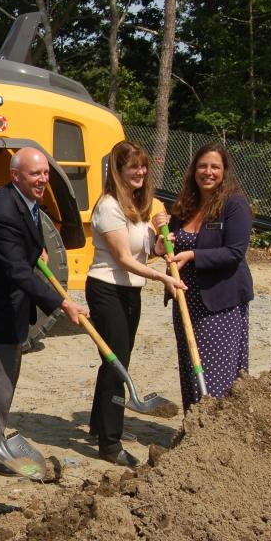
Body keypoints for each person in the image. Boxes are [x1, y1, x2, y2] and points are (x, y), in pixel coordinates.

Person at [0, 147, 88, 470]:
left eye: (45, 173)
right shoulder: (1, 211)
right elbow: (16, 271)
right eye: (35, 174)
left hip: (10, 308)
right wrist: (60, 303)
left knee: (3, 379)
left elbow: (23, 245)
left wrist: (36, 251)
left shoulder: (26, 203)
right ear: (15, 175)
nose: (43, 179)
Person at [85, 141, 185, 467]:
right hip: (106, 289)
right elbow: (124, 259)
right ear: (119, 170)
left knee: (116, 359)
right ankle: (110, 444)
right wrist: (164, 279)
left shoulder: (139, 209)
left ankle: (99, 424)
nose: (140, 172)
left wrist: (160, 237)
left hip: (131, 292)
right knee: (117, 364)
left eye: (143, 166)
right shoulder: (108, 207)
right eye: (133, 167)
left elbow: (148, 251)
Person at [156, 142, 253, 409]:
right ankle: (193, 431)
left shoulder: (234, 205)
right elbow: (172, 246)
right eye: (202, 166)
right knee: (190, 367)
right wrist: (162, 245)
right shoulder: (185, 205)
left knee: (214, 373)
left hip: (220, 303)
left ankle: (214, 433)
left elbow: (235, 252)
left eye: (214, 167)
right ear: (193, 170)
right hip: (187, 301)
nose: (207, 172)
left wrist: (193, 256)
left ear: (224, 171)